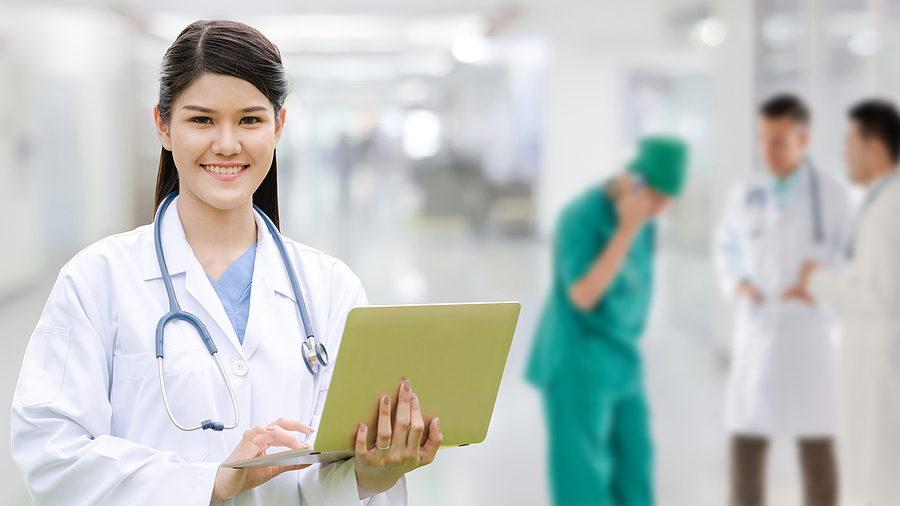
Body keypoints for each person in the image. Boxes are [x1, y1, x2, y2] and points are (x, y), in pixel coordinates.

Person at [10, 20, 441, 506]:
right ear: (163, 126)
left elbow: (329, 473)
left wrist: (372, 476)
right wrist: (209, 483)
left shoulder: (331, 288)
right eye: (201, 120)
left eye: (250, 120)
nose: (228, 144)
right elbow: (51, 454)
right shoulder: (96, 280)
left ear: (278, 126)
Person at [526, 136, 689, 506]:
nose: (660, 210)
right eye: (658, 199)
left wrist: (638, 224)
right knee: (582, 486)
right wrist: (626, 230)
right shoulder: (581, 217)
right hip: (577, 360)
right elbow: (583, 294)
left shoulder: (645, 219)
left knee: (637, 474)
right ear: (637, 182)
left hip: (623, 359)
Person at [714, 94, 853, 506]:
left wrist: (821, 289)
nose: (768, 151)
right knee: (746, 438)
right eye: (762, 140)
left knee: (817, 443)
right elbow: (726, 249)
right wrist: (738, 285)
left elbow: (851, 258)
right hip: (758, 327)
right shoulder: (745, 192)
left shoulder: (834, 195)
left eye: (779, 141)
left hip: (810, 332)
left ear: (803, 140)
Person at [790, 99, 900, 506]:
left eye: (848, 143)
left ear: (875, 149)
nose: (843, 154)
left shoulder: (890, 210)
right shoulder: (881, 203)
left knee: (883, 484)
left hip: (882, 368)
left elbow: (879, 297)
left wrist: (815, 279)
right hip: (874, 365)